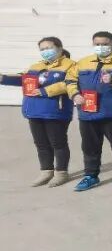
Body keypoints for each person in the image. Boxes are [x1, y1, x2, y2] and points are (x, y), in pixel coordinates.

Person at [65, 31, 112, 193]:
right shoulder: (82, 63)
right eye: (97, 44)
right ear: (93, 45)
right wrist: (75, 95)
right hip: (87, 112)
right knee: (90, 147)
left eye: (105, 44)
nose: (101, 47)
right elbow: (70, 81)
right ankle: (91, 175)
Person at [0, 37, 76, 187]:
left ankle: (61, 173)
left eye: (49, 48)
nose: (45, 51)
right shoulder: (36, 66)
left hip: (55, 111)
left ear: (59, 48)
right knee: (41, 143)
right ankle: (46, 171)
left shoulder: (71, 65)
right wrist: (3, 78)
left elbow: (70, 83)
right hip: (34, 110)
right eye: (42, 49)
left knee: (58, 143)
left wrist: (46, 91)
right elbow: (23, 79)